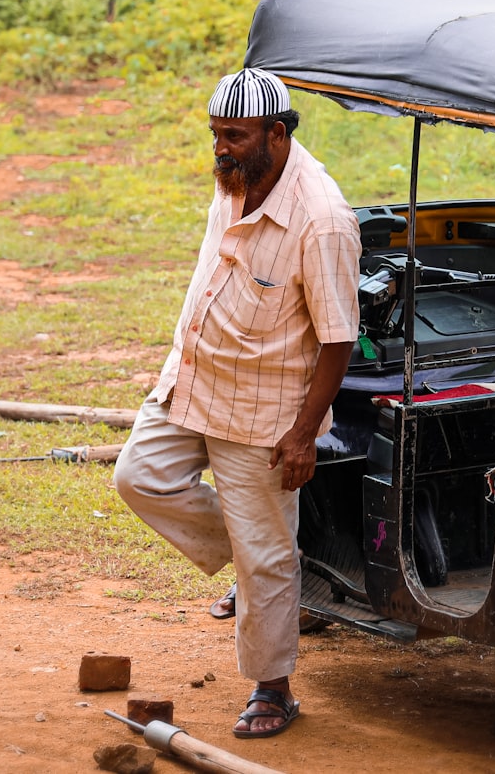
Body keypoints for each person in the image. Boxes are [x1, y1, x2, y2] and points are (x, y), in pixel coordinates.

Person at [113, 67, 361, 739]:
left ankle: (273, 687)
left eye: (235, 135)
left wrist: (305, 433)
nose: (220, 148)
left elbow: (339, 339)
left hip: (263, 408)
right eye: (215, 133)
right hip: (192, 378)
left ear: (276, 134)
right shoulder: (238, 177)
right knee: (139, 478)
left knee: (265, 554)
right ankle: (269, 566)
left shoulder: (323, 220)